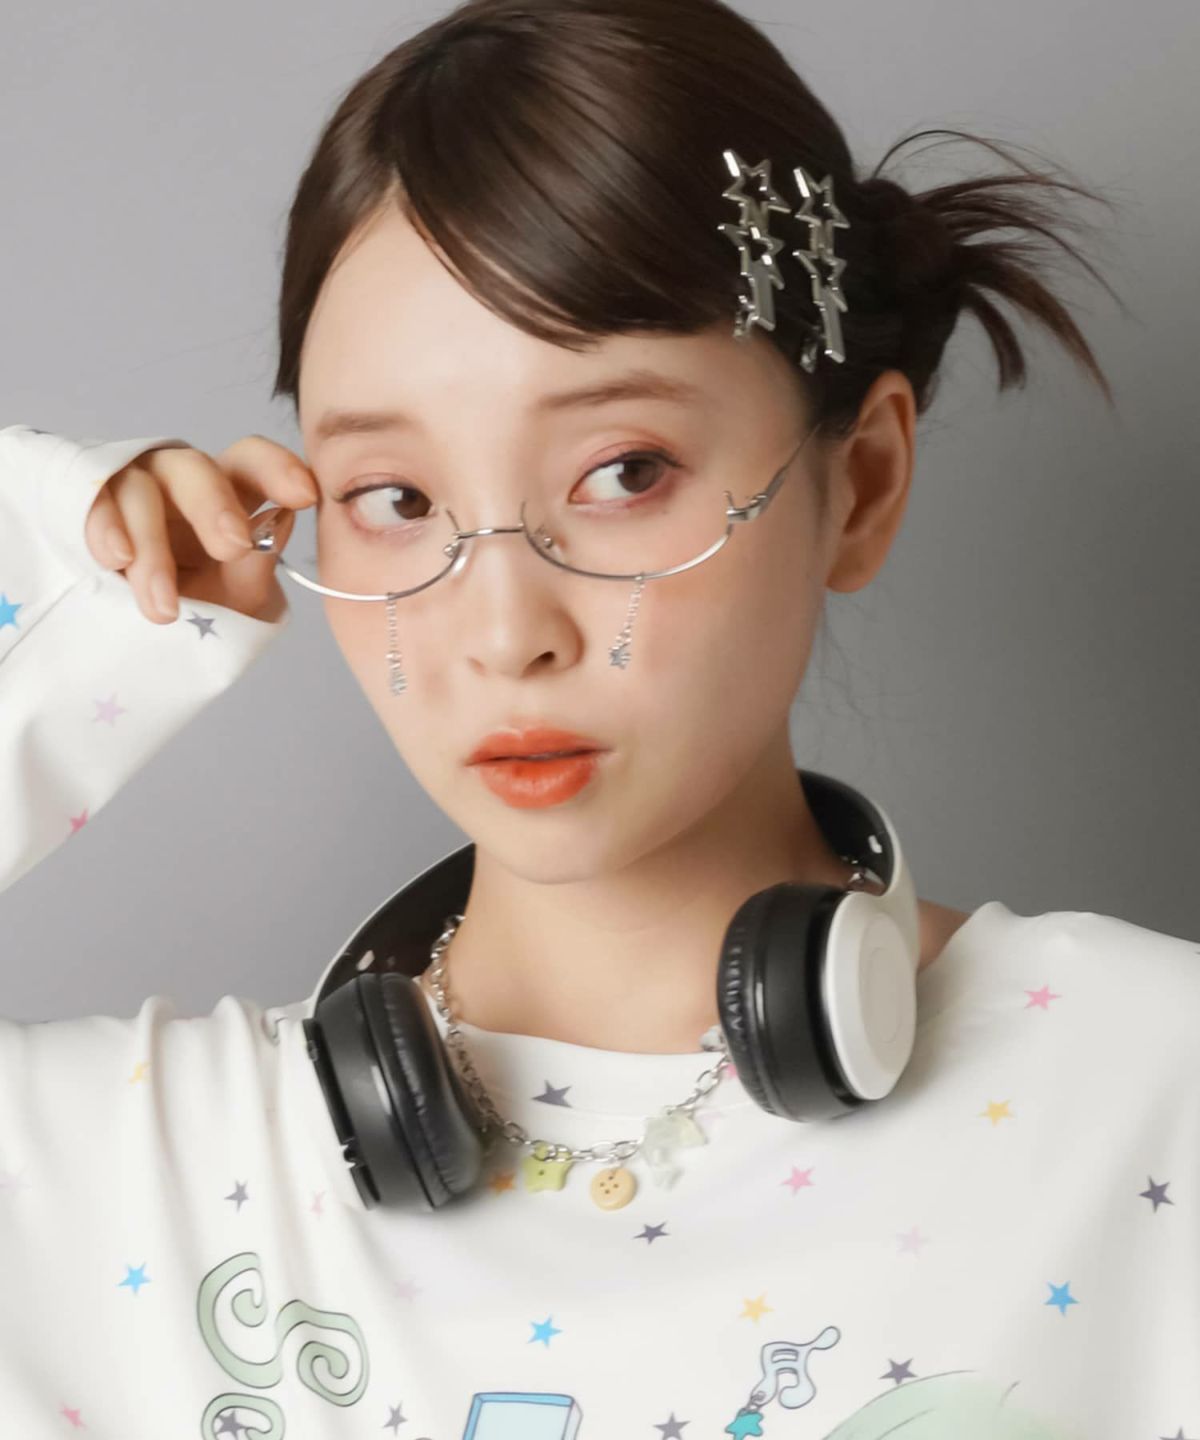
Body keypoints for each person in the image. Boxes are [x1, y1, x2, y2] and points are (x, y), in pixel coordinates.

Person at [1, 0, 1196, 1435]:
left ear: (862, 483)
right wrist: (55, 590)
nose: (507, 632)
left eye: (624, 473)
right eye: (396, 498)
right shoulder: (114, 1175)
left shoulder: (1150, 1094)